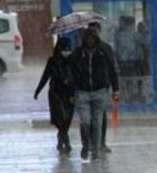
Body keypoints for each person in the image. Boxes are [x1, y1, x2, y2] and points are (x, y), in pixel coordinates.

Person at [71, 26, 119, 162]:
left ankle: (96, 151)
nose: (90, 41)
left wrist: (115, 89)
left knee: (97, 123)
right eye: (88, 38)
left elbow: (112, 71)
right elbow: (72, 74)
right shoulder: (78, 53)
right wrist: (71, 92)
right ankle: (86, 145)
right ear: (84, 39)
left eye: (93, 38)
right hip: (82, 93)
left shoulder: (104, 52)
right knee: (85, 122)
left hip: (100, 92)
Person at [35, 38, 76, 153]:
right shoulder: (52, 61)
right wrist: (38, 90)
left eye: (68, 49)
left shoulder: (73, 60)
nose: (66, 51)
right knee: (60, 118)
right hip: (56, 93)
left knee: (67, 118)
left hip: (70, 93)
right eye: (64, 49)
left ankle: (61, 137)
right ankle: (66, 141)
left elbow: (78, 76)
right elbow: (45, 76)